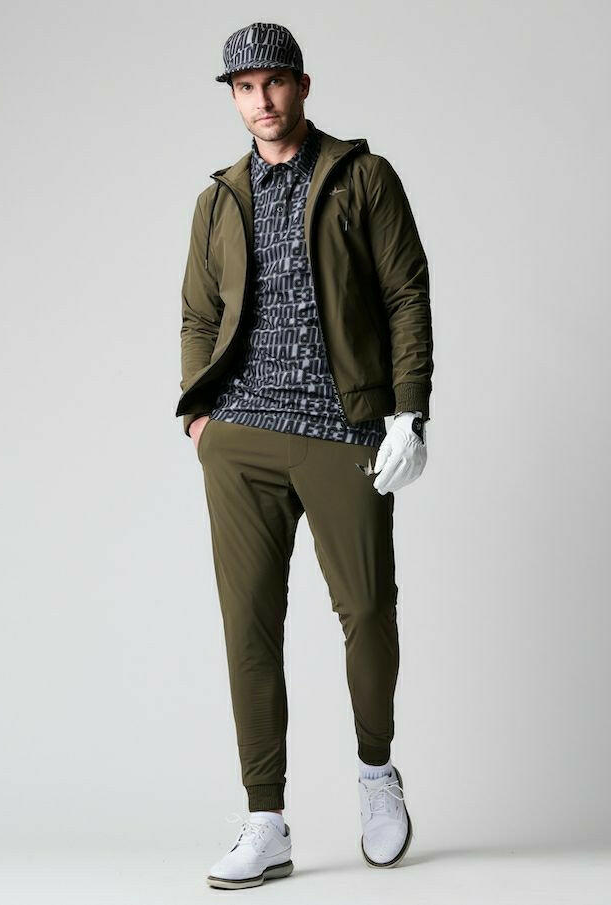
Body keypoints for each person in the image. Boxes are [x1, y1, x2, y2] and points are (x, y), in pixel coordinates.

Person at [175, 21, 434, 889]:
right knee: (247, 622)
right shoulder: (218, 198)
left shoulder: (363, 177)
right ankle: (266, 820)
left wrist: (407, 412)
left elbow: (405, 293)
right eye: (244, 88)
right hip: (240, 440)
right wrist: (200, 417)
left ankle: (375, 772)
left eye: (274, 83)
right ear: (234, 97)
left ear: (302, 84)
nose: (262, 101)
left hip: (342, 429)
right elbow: (198, 314)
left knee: (368, 609)